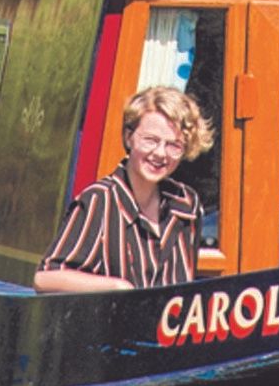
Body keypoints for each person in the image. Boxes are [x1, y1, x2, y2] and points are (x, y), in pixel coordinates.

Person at [35, 87, 209, 293]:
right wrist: (116, 287)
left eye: (174, 145)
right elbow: (45, 278)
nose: (161, 153)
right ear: (129, 137)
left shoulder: (187, 203)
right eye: (151, 140)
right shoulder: (100, 200)